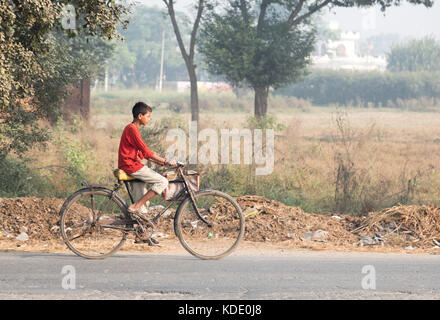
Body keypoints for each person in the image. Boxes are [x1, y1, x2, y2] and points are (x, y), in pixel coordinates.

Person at [118, 101, 177, 220]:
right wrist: (166, 162)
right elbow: (146, 151)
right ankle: (136, 205)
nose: (149, 119)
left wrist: (162, 162)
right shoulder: (132, 129)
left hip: (130, 165)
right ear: (140, 116)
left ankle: (141, 232)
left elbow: (143, 154)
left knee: (142, 209)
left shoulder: (132, 128)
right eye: (148, 116)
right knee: (163, 182)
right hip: (131, 166)